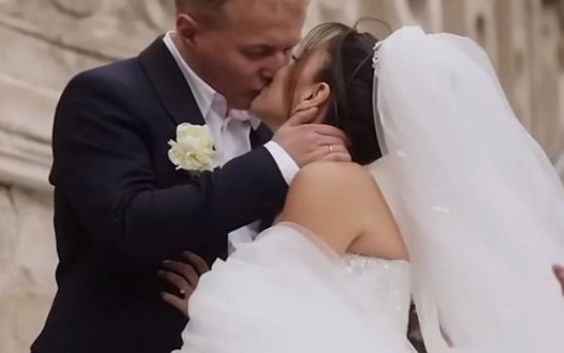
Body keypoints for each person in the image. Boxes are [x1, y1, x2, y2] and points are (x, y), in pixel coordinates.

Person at [30, 0, 351, 353]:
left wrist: (225, 308)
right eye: (256, 51)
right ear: (189, 31)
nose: (277, 69)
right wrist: (274, 163)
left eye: (288, 49)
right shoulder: (107, 97)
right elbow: (128, 226)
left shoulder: (276, 126)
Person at [171, 23, 564, 353]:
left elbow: (276, 322)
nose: (280, 66)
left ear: (315, 94)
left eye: (297, 61)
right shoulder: (375, 186)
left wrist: (210, 301)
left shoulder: (330, 182)